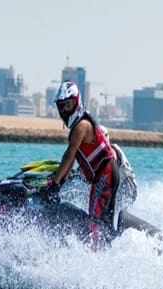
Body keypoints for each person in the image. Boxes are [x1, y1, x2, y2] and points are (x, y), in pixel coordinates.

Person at [45, 81, 121, 249]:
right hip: (106, 174)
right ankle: (111, 250)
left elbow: (69, 154)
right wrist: (59, 180)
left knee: (94, 222)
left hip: (105, 174)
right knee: (103, 223)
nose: (64, 110)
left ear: (77, 102)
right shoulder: (78, 126)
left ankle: (96, 256)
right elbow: (72, 160)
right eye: (61, 107)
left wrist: (55, 184)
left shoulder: (81, 126)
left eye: (68, 105)